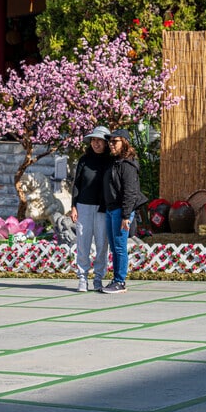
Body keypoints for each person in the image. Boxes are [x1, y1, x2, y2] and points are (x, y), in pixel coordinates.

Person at [100, 129, 148, 294]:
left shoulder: (128, 165)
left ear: (125, 143)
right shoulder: (114, 162)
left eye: (115, 142)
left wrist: (126, 216)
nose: (111, 145)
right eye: (110, 142)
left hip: (121, 211)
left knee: (120, 247)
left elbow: (130, 192)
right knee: (114, 247)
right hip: (111, 209)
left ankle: (120, 281)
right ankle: (116, 279)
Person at [70, 125, 111, 292]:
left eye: (99, 140)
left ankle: (98, 278)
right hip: (83, 206)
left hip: (103, 207)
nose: (96, 143)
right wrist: (73, 206)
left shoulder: (111, 161)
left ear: (106, 143)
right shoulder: (84, 160)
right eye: (93, 140)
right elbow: (76, 185)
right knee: (83, 242)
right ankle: (82, 278)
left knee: (102, 243)